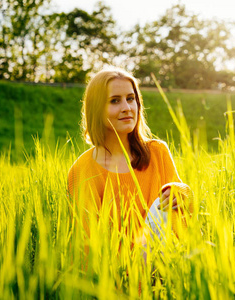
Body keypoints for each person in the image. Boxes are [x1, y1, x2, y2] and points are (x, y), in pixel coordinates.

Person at [67, 67, 192, 249]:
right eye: (115, 101)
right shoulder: (83, 170)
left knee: (168, 205)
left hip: (168, 259)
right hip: (118, 268)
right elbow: (86, 245)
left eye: (130, 99)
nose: (126, 108)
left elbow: (185, 211)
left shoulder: (158, 152)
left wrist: (182, 192)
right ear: (96, 109)